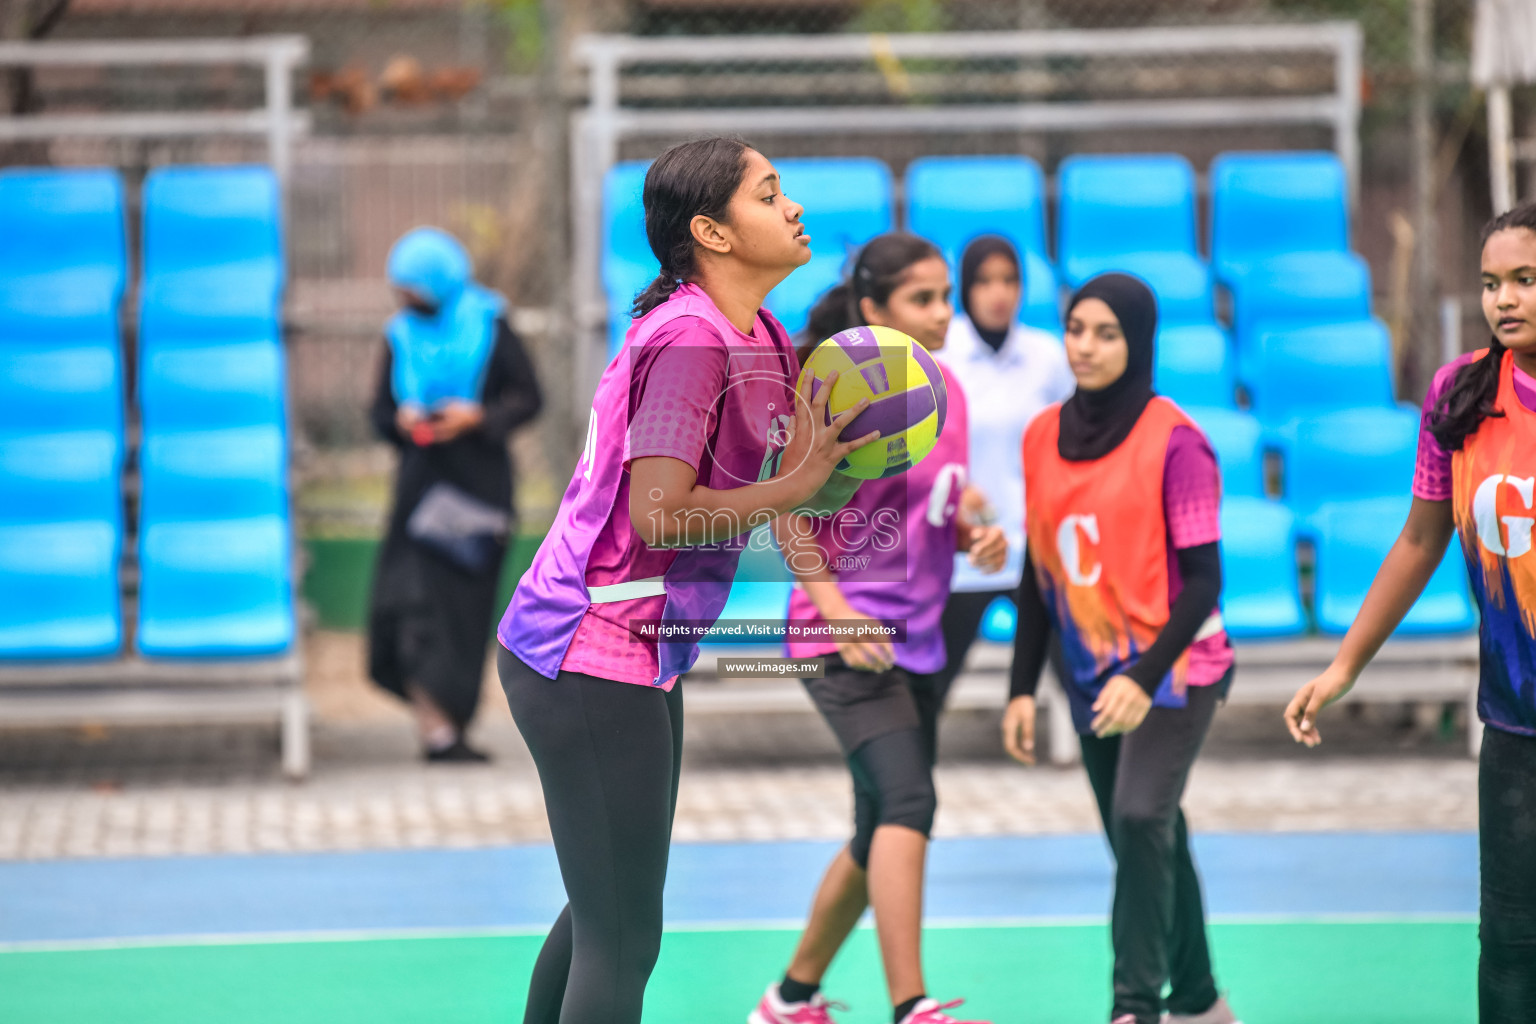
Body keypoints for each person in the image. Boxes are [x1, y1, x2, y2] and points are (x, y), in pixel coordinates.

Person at [496, 136, 879, 1024]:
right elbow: (662, 513)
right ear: (710, 231)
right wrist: (799, 481)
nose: (793, 208)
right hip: (584, 648)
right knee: (622, 933)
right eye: (768, 194)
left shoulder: (760, 335)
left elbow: (773, 493)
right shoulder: (689, 345)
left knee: (611, 914)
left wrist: (833, 479)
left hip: (634, 648)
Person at [1284, 203, 1536, 1023]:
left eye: (1526, 280)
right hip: (1517, 724)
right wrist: (1344, 664)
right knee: (1508, 944)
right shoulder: (1460, 393)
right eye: (1493, 282)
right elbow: (1421, 540)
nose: (1505, 299)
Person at [750, 233, 1008, 1024]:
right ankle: (914, 1007)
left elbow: (933, 504)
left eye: (943, 297)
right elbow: (785, 508)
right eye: (922, 299)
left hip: (918, 638)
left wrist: (973, 531)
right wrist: (833, 607)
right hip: (842, 640)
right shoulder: (832, 392)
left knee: (878, 831)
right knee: (907, 802)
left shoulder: (949, 392)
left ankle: (789, 999)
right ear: (872, 311)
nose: (943, 313)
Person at [1004, 274, 1240, 1024]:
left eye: (1107, 333)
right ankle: (1202, 1002)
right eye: (1077, 329)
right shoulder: (1041, 436)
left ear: (1137, 341)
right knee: (1147, 836)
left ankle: (1134, 1006)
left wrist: (1144, 674)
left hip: (1177, 667)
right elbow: (1038, 572)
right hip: (1088, 672)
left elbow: (1204, 581)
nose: (1087, 347)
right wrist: (1019, 688)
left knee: (1141, 819)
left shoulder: (1177, 441)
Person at [368, 226, 542, 763]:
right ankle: (434, 726)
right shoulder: (399, 335)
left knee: (464, 609)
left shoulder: (491, 323)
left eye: (415, 287)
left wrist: (477, 418)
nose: (407, 299)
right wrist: (403, 421)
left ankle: (451, 724)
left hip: (480, 490)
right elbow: (377, 414)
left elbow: (531, 398)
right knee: (407, 603)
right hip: (420, 491)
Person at [932, 235, 1074, 695]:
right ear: (965, 288)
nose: (999, 293)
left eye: (1010, 281)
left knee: (1080, 684)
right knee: (928, 692)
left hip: (1037, 548)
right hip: (961, 552)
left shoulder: (1048, 355)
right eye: (985, 281)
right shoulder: (938, 353)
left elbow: (1071, 441)